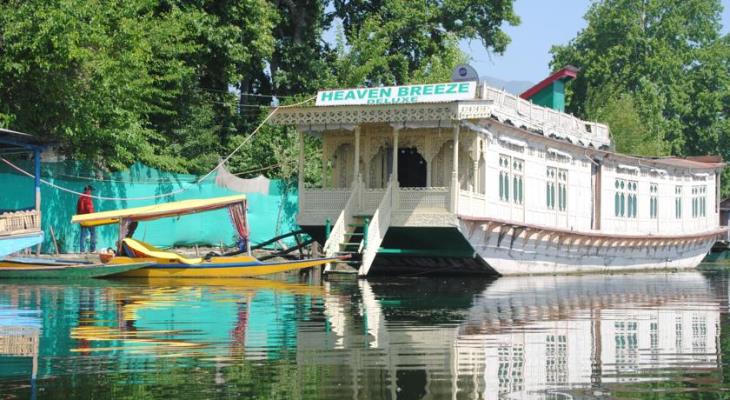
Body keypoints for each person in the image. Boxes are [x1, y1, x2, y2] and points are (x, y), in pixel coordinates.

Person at [77, 185, 96, 253]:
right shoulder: (88, 197)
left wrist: (79, 217)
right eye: (91, 190)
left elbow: (78, 209)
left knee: (83, 234)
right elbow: (89, 208)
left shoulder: (80, 197)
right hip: (89, 218)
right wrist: (93, 217)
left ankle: (82, 250)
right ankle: (93, 249)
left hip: (82, 218)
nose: (91, 192)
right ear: (88, 190)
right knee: (93, 233)